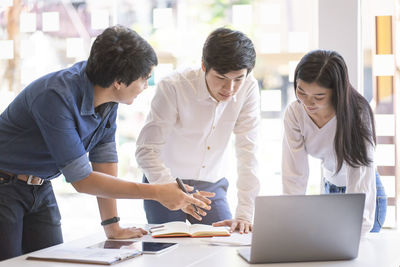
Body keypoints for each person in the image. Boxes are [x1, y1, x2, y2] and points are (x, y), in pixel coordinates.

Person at [0, 25, 211, 261]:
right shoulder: (55, 96)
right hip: (4, 186)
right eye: (144, 79)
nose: (145, 86)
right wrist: (156, 192)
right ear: (119, 81)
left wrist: (113, 226)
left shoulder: (108, 98)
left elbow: (104, 160)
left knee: (49, 262)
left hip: (39, 186)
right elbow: (82, 180)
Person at [135, 27, 260, 234]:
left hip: (211, 183)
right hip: (164, 181)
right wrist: (168, 189)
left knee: (223, 245)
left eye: (238, 78)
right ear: (204, 66)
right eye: (221, 77)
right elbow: (146, 150)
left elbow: (249, 150)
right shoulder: (173, 86)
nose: (229, 88)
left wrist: (245, 212)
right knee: (166, 251)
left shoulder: (249, 88)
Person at [282, 49, 387, 234]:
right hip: (329, 191)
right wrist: (291, 218)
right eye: (301, 91)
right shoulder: (295, 113)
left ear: (337, 91)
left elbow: (360, 177)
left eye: (319, 96)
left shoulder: (357, 113)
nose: (307, 102)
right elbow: (295, 174)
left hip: (365, 195)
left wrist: (358, 229)